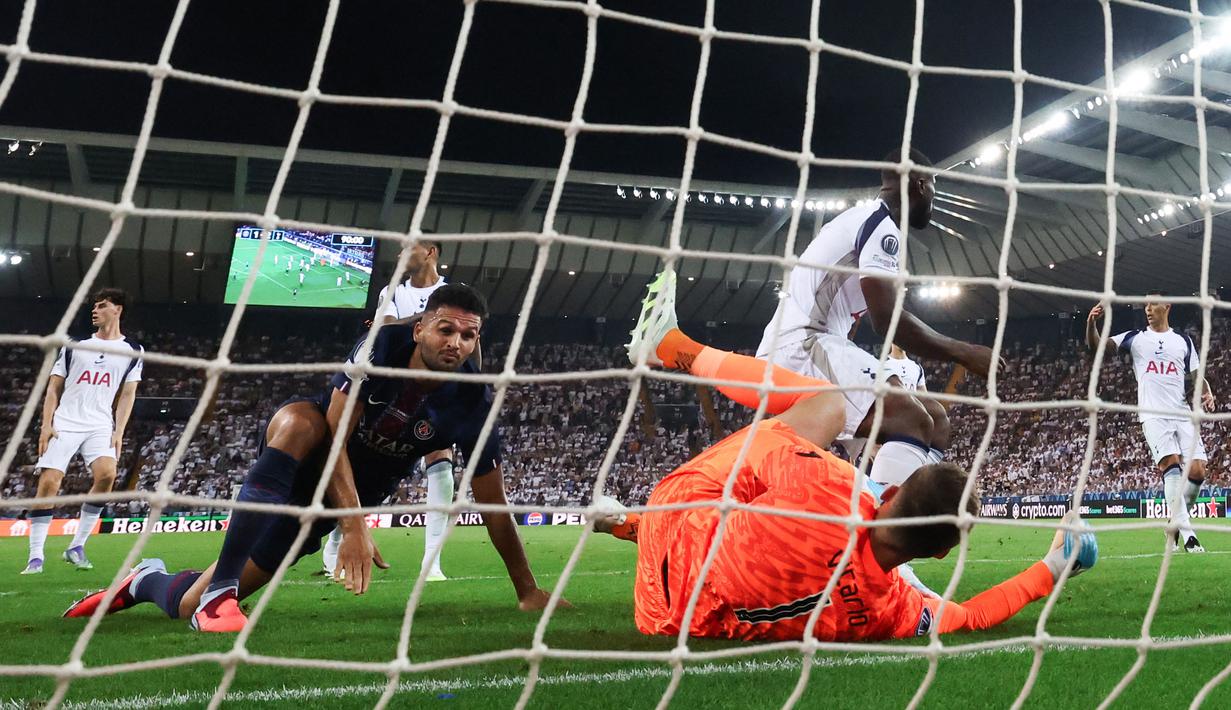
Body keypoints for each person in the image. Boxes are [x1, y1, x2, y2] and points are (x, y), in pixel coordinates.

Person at [64, 284, 564, 631]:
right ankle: (218, 595)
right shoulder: (379, 347)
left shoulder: (474, 402)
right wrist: (354, 527)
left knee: (188, 603)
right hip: (312, 452)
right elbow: (337, 434)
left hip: (339, 498)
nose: (456, 343)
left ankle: (147, 580)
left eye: (468, 335)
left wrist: (527, 589)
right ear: (420, 330)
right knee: (301, 420)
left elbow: (493, 505)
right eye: (445, 330)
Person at [611, 314, 1097, 642]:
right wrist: (1056, 564)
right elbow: (972, 615)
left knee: (828, 402)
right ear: (940, 552)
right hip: (663, 618)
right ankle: (629, 525)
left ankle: (674, 348)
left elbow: (758, 461)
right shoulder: (893, 611)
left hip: (675, 511)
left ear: (891, 490)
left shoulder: (832, 488)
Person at [755, 149, 990, 490]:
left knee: (936, 420)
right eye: (935, 187)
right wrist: (964, 352)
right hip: (800, 345)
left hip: (818, 344)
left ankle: (904, 518)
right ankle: (875, 530)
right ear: (921, 185)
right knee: (910, 418)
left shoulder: (865, 221)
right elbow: (888, 322)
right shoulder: (879, 226)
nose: (934, 198)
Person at [323, 236, 454, 581]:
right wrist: (429, 319)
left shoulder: (454, 293)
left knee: (443, 464)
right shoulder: (391, 292)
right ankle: (337, 537)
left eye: (407, 248)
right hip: (389, 392)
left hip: (434, 390)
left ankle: (432, 563)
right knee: (372, 469)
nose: (399, 255)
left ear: (430, 252)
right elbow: (384, 331)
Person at [22, 288, 143, 574]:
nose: (95, 310)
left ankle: (76, 546)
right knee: (49, 484)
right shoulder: (74, 344)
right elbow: (53, 387)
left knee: (108, 475)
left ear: (118, 309)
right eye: (94, 306)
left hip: (101, 423)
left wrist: (119, 431)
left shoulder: (133, 351)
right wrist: (46, 424)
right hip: (66, 420)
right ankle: (36, 556)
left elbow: (128, 394)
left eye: (102, 306)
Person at [1087, 293, 1215, 552]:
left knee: (1198, 471)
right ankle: (1189, 535)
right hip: (1153, 414)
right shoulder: (1135, 338)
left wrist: (1207, 391)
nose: (1147, 309)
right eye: (1145, 305)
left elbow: (1196, 375)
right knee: (1171, 465)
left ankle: (1174, 525)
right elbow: (1098, 347)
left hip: (1182, 412)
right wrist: (1091, 325)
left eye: (1152, 304)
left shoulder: (1182, 341)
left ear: (1166, 307)